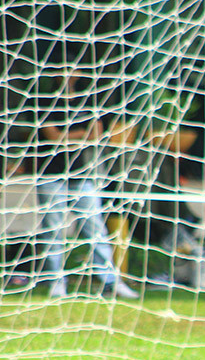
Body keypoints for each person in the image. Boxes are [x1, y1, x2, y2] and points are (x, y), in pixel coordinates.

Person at [35, 70, 138, 298]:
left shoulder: (87, 101)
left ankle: (111, 282)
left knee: (96, 230)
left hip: (81, 176)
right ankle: (56, 281)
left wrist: (73, 136)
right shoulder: (45, 101)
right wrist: (78, 135)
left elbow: (97, 134)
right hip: (50, 175)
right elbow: (53, 136)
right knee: (53, 231)